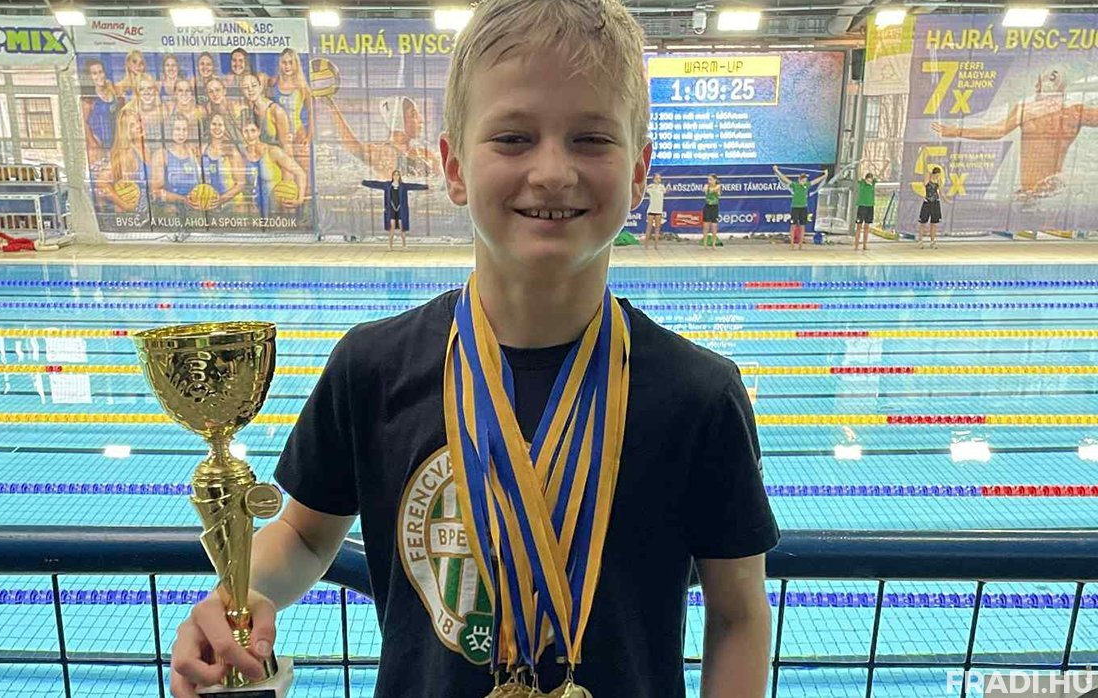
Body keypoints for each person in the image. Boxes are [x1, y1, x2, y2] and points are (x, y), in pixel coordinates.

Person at [168, 2, 778, 698]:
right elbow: (307, 537)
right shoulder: (371, 369)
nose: (553, 171)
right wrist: (237, 598)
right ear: (454, 168)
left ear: (639, 172)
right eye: (514, 138)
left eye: (591, 139)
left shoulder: (699, 395)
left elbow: (738, 613)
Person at [931, 65, 1098, 202]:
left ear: (1039, 85)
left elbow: (996, 131)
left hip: (1034, 194)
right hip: (1053, 192)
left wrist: (957, 131)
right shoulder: (1076, 113)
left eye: (1039, 82)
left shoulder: (1027, 111)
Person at [361, 169, 426, 250]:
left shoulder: (403, 186)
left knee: (402, 226)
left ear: (399, 176)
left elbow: (414, 186)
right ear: (392, 176)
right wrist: (365, 182)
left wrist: (425, 187)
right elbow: (376, 184)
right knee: (391, 226)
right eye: (394, 174)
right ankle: (390, 245)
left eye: (397, 175)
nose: (396, 176)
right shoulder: (387, 185)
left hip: (401, 209)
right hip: (391, 208)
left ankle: (404, 245)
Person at [773, 165, 828, 250]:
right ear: (799, 180)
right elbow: (784, 179)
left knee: (803, 226)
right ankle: (792, 245)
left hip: (803, 208)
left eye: (805, 180)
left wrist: (825, 175)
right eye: (803, 180)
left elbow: (816, 181)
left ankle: (800, 245)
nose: (804, 182)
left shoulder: (807, 185)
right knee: (793, 226)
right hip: (795, 207)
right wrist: (776, 170)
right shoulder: (795, 185)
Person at [918, 166, 951, 249]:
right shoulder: (927, 179)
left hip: (935, 203)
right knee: (923, 223)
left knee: (934, 223)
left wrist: (947, 200)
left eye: (938, 175)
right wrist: (930, 174)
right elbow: (926, 176)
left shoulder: (938, 181)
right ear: (933, 173)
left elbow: (941, 192)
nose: (937, 176)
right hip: (927, 203)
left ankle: (932, 241)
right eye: (936, 175)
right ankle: (920, 241)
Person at [854, 171, 877, 252]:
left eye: (871, 179)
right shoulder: (862, 183)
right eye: (868, 179)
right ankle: (856, 245)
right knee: (859, 226)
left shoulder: (873, 184)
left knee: (867, 227)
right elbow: (858, 177)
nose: (869, 181)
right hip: (862, 207)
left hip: (870, 207)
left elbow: (877, 177)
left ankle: (865, 245)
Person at [643, 172, 666, 250]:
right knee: (649, 228)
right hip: (651, 210)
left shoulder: (662, 187)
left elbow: (666, 191)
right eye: (657, 178)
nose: (658, 180)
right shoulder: (651, 187)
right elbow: (645, 189)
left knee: (657, 228)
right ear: (653, 179)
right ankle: (646, 245)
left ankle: (656, 245)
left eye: (659, 178)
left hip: (658, 210)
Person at [701, 173, 722, 250]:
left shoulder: (719, 186)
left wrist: (710, 189)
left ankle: (713, 245)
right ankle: (705, 245)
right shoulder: (706, 185)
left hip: (714, 207)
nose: (709, 181)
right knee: (706, 227)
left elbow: (713, 190)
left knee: (714, 227)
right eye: (708, 179)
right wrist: (706, 188)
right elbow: (704, 190)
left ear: (715, 180)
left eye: (711, 179)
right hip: (707, 207)